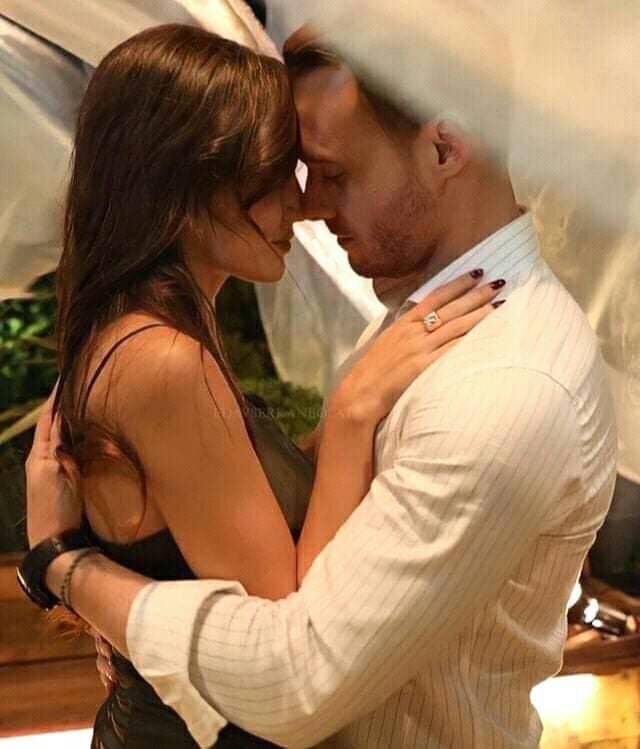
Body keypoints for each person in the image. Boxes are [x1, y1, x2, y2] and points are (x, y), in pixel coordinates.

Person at [24, 22, 617, 749]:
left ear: (444, 148)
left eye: (330, 173)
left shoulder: (507, 384)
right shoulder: (411, 324)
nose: (308, 206)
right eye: (281, 171)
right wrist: (346, 419)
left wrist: (68, 569)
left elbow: (292, 675)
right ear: (189, 181)